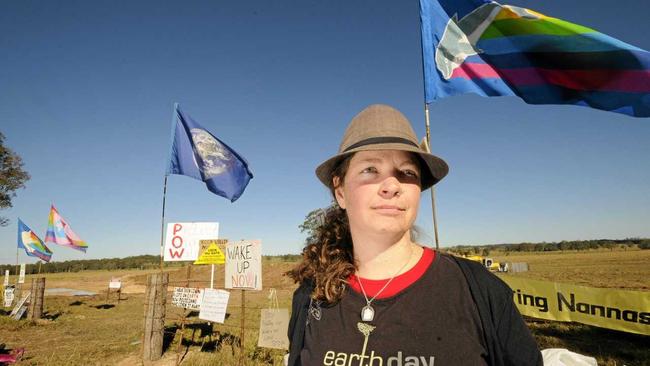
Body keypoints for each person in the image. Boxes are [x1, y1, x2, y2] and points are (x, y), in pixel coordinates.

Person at [286, 104, 542, 366]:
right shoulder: (311, 296)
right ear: (340, 192)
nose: (392, 186)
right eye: (370, 170)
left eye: (407, 172)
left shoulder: (480, 291)